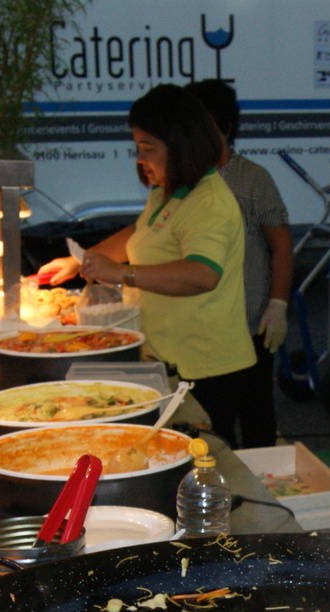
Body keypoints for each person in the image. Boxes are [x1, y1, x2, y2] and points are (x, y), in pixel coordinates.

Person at [37, 84, 257, 448]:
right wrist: (80, 261)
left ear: (181, 145)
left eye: (148, 148)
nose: (140, 158)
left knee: (200, 458)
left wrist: (121, 273)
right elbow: (140, 234)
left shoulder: (209, 202)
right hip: (167, 356)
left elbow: (202, 274)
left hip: (205, 366)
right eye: (137, 147)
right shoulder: (168, 190)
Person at [185, 79, 292, 449]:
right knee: (211, 423)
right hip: (202, 330)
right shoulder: (183, 179)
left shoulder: (253, 180)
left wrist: (278, 304)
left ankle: (263, 481)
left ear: (225, 128)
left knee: (257, 415)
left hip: (250, 327)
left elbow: (281, 246)